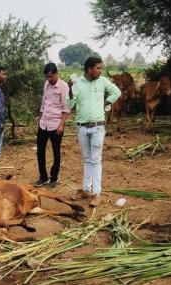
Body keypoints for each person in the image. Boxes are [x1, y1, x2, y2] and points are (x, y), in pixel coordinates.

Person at [68, 57, 121, 207]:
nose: (100, 71)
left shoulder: (103, 81)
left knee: (96, 159)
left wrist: (106, 102)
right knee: (87, 159)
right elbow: (70, 104)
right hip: (82, 127)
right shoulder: (78, 83)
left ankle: (97, 194)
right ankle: (86, 190)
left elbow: (116, 92)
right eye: (98, 68)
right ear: (89, 69)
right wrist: (71, 92)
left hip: (98, 127)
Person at [34, 63, 70, 188]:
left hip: (56, 124)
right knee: (40, 151)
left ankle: (54, 178)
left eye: (50, 76)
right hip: (44, 123)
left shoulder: (64, 86)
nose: (49, 79)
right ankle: (43, 177)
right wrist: (39, 119)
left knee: (56, 152)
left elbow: (66, 109)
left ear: (56, 74)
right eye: (47, 77)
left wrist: (61, 125)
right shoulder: (46, 84)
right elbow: (43, 103)